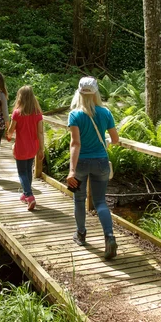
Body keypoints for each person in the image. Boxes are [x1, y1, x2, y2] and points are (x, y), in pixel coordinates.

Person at [66, 76, 120, 259]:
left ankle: (81, 234)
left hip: (81, 163)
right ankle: (109, 237)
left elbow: (75, 144)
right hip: (101, 162)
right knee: (100, 202)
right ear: (96, 92)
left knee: (79, 200)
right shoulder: (105, 113)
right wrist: (104, 141)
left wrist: (72, 170)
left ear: (79, 93)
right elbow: (115, 140)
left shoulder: (75, 115)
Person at [7, 85, 44, 211]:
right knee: (28, 171)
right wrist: (41, 149)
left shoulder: (17, 113)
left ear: (20, 98)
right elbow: (40, 133)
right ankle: (25, 194)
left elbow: (11, 131)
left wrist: (8, 134)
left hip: (21, 147)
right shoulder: (38, 114)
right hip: (33, 147)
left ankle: (29, 196)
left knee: (22, 173)